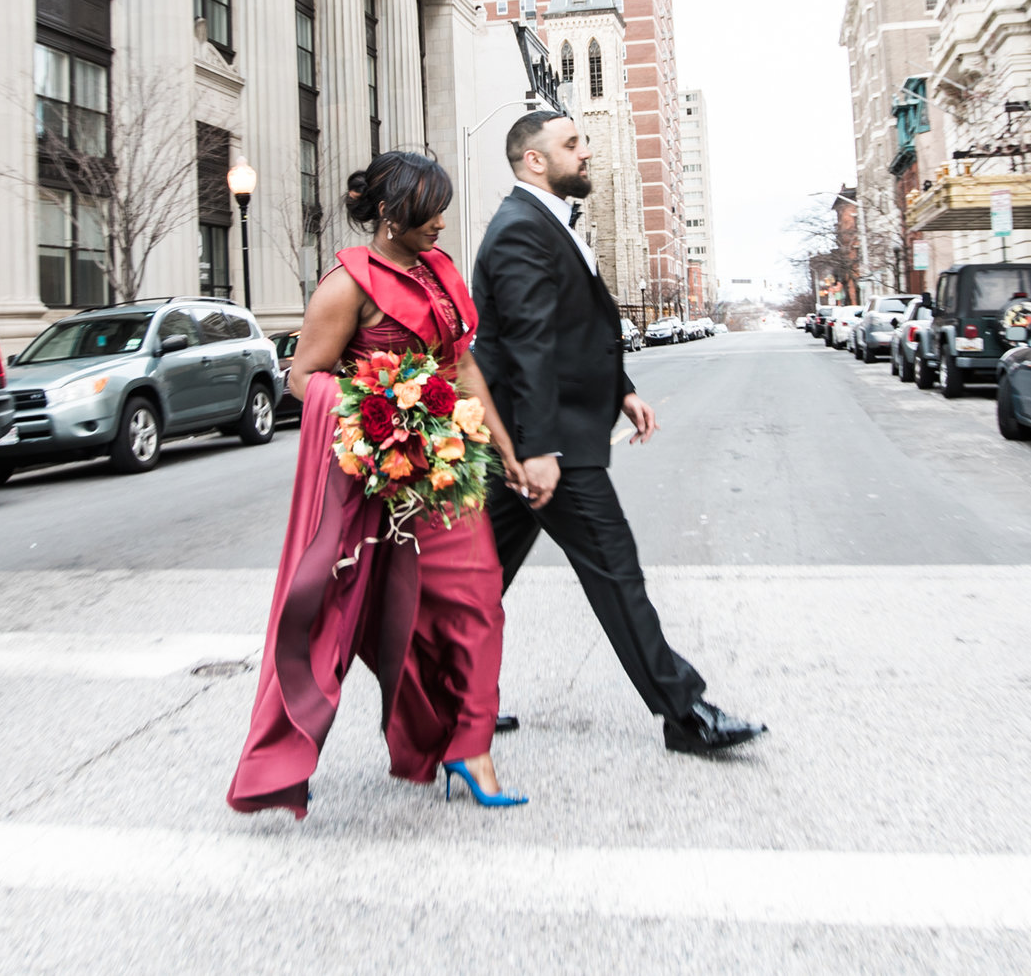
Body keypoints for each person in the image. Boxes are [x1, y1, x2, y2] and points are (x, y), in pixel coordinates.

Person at [228, 151, 535, 815]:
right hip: (378, 484)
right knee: (333, 619)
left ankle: (469, 746)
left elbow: (462, 371)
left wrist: (505, 448)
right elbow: (303, 375)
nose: (444, 224)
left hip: (447, 473)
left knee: (478, 601)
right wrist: (381, 408)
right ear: (393, 214)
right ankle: (284, 759)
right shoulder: (348, 284)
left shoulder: (439, 274)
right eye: (432, 211)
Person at [471, 110, 767, 756]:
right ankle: (685, 713)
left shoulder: (547, 222)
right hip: (548, 449)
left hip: (537, 443)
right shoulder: (521, 229)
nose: (587, 153)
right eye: (573, 143)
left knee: (476, 581)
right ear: (534, 160)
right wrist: (542, 448)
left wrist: (621, 388)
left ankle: (445, 704)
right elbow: (529, 345)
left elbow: (575, 329)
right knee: (615, 573)